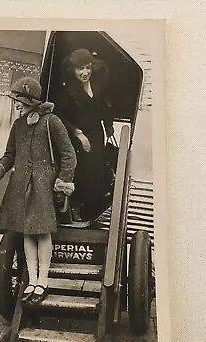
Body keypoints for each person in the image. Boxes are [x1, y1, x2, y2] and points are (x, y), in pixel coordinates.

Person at [0, 77, 77, 304]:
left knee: (42, 233)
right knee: (27, 232)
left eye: (18, 100)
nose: (15, 104)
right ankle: (32, 280)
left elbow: (69, 155)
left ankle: (43, 281)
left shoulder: (51, 122)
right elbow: (10, 155)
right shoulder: (18, 125)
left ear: (29, 100)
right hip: (21, 186)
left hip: (44, 186)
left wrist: (62, 183)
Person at [55, 49, 114, 221]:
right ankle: (75, 207)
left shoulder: (97, 84)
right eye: (80, 69)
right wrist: (78, 134)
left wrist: (109, 124)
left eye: (88, 68)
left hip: (96, 132)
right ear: (73, 70)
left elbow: (105, 105)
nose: (85, 72)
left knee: (97, 171)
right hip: (76, 136)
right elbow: (59, 115)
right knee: (81, 171)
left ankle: (91, 208)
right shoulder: (68, 90)